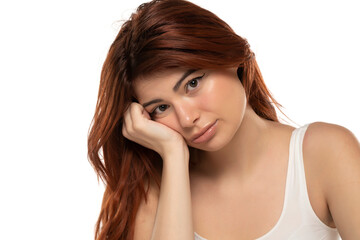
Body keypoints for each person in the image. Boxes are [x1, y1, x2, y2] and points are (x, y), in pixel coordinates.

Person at [87, 0, 360, 239]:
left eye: (192, 83)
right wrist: (173, 154)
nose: (187, 118)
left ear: (230, 58)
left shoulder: (324, 154)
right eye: (160, 108)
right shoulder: (155, 190)